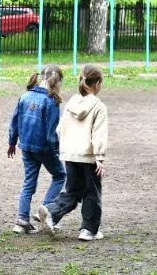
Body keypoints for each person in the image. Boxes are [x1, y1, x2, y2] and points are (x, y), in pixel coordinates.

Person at [36, 64, 109, 241]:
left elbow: (60, 129)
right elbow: (98, 133)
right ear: (97, 84)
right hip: (88, 157)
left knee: (73, 190)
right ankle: (89, 230)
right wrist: (99, 158)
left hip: (70, 155)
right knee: (92, 192)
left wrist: (66, 149)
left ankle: (51, 211)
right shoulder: (99, 107)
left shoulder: (71, 103)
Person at [7, 65, 66, 234]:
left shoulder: (24, 96)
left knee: (28, 182)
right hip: (44, 149)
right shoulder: (52, 101)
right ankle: (46, 211)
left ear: (41, 77)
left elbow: (14, 122)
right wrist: (57, 150)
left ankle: (22, 220)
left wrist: (12, 142)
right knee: (60, 175)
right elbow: (51, 133)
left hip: (26, 147)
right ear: (58, 82)